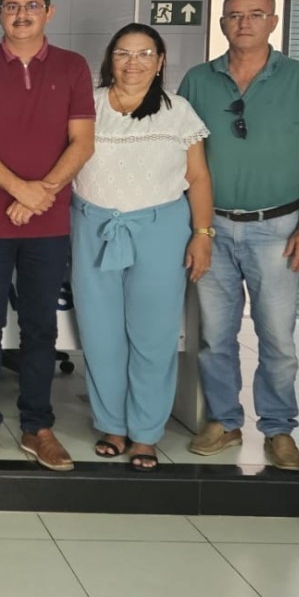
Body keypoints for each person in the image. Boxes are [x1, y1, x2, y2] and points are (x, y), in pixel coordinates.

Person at [177, 0, 299, 472]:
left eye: (255, 14)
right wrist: (196, 229)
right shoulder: (198, 80)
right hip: (213, 228)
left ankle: (279, 428)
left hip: (278, 228)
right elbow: (181, 155)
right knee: (215, 337)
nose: (243, 23)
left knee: (278, 339)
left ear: (273, 22)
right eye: (234, 15)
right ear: (222, 23)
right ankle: (224, 421)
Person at [0, 0, 95, 472]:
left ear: (49, 12)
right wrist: (21, 189)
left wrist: (40, 194)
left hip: (48, 223)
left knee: (40, 327)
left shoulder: (73, 67)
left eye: (32, 5)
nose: (21, 15)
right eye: (11, 6)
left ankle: (38, 427)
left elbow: (82, 143)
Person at [71, 24, 213, 471]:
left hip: (160, 230)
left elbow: (198, 178)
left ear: (160, 60)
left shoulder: (178, 111)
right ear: (109, 59)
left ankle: (147, 433)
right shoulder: (87, 105)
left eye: (145, 53)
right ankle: (112, 425)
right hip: (94, 228)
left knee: (153, 336)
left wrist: (202, 234)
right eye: (123, 53)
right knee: (100, 334)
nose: (133, 63)